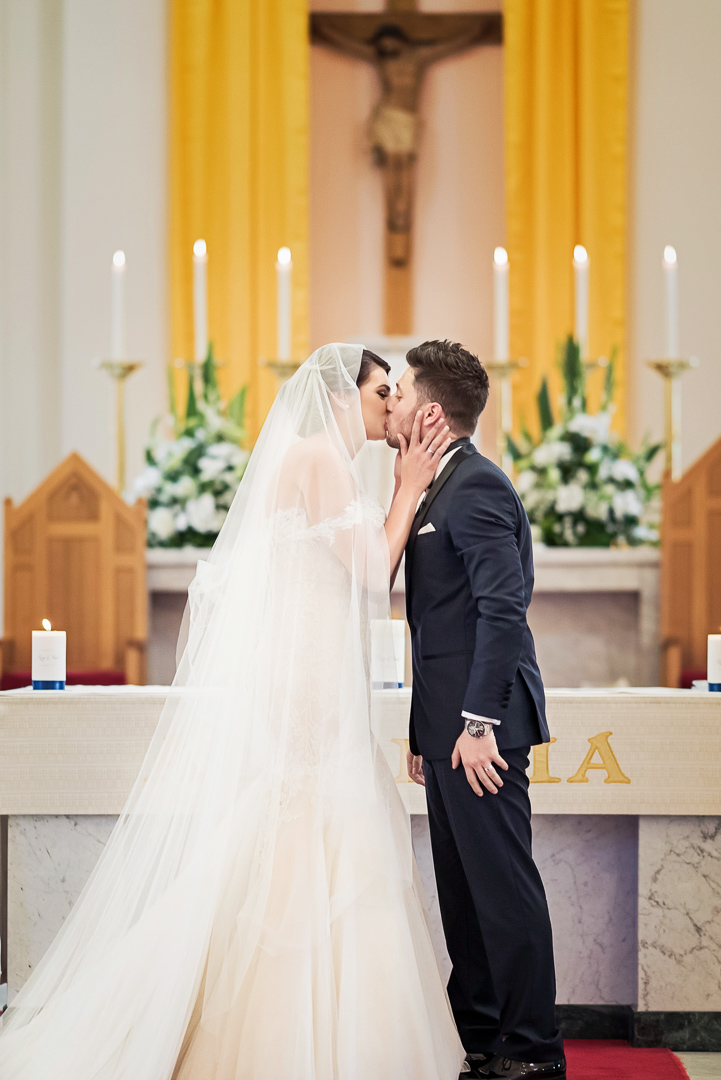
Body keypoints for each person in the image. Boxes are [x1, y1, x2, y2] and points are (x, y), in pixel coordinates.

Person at [0, 344, 466, 1080]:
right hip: (308, 681)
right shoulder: (318, 458)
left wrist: (395, 494)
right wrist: (408, 489)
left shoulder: (323, 461)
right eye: (382, 390)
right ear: (340, 395)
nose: (390, 405)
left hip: (313, 671)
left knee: (300, 823)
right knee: (311, 820)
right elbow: (372, 569)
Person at [385, 340, 566, 1080]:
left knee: (502, 889)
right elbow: (437, 626)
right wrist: (423, 731)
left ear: (431, 412)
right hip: (447, 731)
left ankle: (532, 1050)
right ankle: (485, 1037)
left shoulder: (479, 486)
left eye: (399, 393)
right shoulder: (436, 486)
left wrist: (478, 724)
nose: (390, 404)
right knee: (463, 897)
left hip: (482, 732)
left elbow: (501, 611)